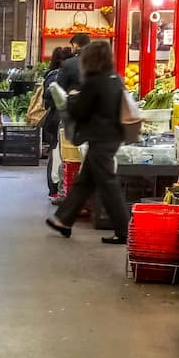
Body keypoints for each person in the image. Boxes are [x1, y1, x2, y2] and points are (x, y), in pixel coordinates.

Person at [44, 39, 130, 244]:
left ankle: (125, 230)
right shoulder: (115, 78)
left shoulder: (95, 81)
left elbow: (80, 110)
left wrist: (70, 100)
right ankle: (63, 221)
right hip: (113, 136)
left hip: (100, 138)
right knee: (84, 182)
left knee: (108, 184)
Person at [42, 46, 72, 203]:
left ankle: (56, 188)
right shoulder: (57, 76)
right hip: (58, 119)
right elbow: (49, 96)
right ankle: (55, 189)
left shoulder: (51, 74)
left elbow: (46, 98)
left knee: (57, 154)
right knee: (57, 154)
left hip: (54, 118)